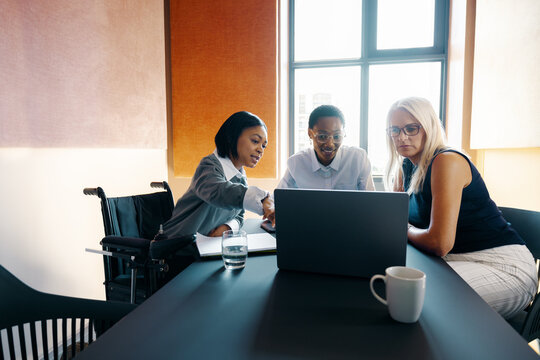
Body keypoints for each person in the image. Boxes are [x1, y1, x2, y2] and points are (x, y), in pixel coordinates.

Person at [385, 96, 537, 318]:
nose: (402, 137)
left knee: (413, 298)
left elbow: (439, 243)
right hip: (451, 262)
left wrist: (405, 228)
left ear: (429, 127)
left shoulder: (447, 161)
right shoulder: (406, 167)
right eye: (395, 130)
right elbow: (394, 220)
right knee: (390, 285)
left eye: (411, 128)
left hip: (502, 267)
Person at [162, 111, 275, 242]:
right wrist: (263, 199)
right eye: (255, 141)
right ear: (232, 136)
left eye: (264, 146)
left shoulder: (240, 176)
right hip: (174, 247)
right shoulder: (208, 167)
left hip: (203, 248)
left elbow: (239, 214)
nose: (260, 150)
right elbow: (220, 193)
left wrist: (227, 227)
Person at [277, 105, 374, 191]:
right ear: (310, 133)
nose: (330, 144)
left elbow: (371, 202)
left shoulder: (358, 159)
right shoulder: (296, 163)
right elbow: (278, 200)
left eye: (336, 137)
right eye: (322, 136)